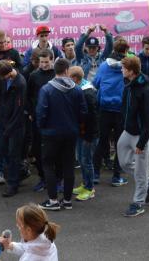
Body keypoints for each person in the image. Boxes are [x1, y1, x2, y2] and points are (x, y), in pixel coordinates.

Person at [37, 58, 87, 210]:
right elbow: (83, 113)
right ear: (67, 70)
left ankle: (52, 200)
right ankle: (67, 200)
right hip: (70, 133)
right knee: (68, 165)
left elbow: (41, 112)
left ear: (55, 70)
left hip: (51, 133)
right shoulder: (77, 89)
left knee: (48, 164)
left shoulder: (46, 89)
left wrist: (42, 128)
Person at [118, 56, 149, 217]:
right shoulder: (129, 85)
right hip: (128, 132)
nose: (121, 70)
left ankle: (138, 203)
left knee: (140, 170)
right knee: (124, 163)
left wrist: (142, 143)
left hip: (141, 136)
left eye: (123, 68)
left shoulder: (145, 91)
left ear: (131, 71)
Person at [92, 39, 130, 187]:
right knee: (120, 144)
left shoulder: (103, 66)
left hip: (104, 109)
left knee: (101, 142)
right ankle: (116, 176)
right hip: (121, 109)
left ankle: (95, 174)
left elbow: (95, 84)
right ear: (126, 50)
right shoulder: (128, 66)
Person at [0, 60, 28, 197]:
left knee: (13, 155)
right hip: (3, 122)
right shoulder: (4, 80)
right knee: (4, 151)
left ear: (9, 73)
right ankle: (20, 172)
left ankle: (13, 184)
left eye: (3, 77)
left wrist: (8, 128)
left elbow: (19, 110)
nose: (1, 80)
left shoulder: (20, 84)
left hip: (16, 125)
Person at [27, 49, 56, 192]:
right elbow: (29, 96)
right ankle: (42, 178)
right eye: (41, 62)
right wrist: (31, 113)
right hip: (38, 119)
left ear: (52, 60)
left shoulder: (57, 74)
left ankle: (57, 179)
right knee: (38, 150)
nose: (43, 65)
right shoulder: (33, 75)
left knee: (55, 150)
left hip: (54, 118)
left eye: (46, 62)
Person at [69, 66, 99, 201]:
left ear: (75, 78)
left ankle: (89, 188)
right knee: (81, 159)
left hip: (89, 134)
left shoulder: (87, 93)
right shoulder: (80, 90)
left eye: (69, 78)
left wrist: (89, 135)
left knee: (86, 160)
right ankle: (85, 184)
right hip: (82, 132)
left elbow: (92, 117)